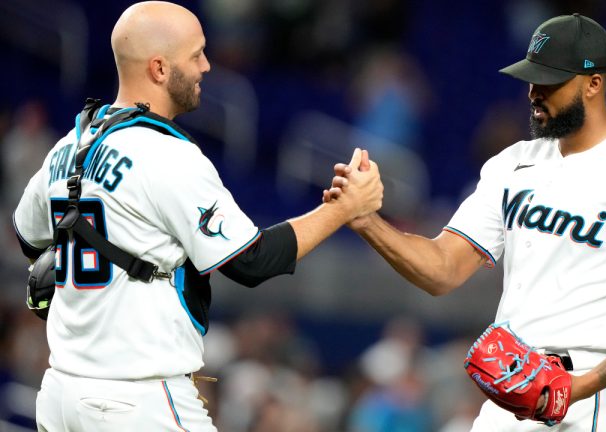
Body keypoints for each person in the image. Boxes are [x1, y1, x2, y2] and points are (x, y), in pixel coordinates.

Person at [12, 2, 382, 431]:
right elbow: (252, 261)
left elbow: (29, 238)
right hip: (136, 399)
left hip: (60, 394)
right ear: (159, 68)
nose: (207, 66)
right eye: (196, 54)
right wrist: (345, 208)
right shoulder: (168, 155)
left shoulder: (67, 148)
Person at [326, 13, 606, 431]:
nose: (534, 93)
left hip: (594, 394)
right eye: (532, 79)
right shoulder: (511, 166)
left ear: (593, 83)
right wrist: (366, 221)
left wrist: (579, 386)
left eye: (550, 81)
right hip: (513, 388)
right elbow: (443, 268)